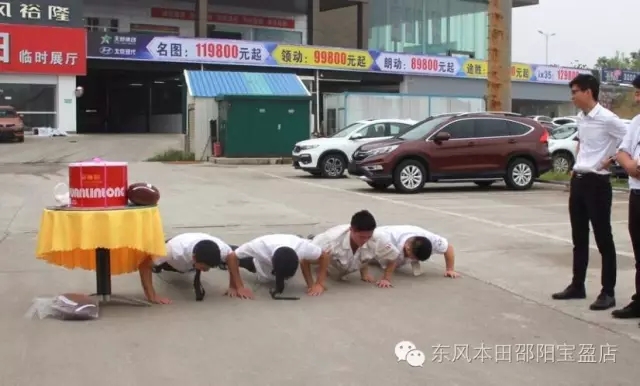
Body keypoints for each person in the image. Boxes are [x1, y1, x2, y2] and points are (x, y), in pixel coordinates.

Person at [552, 74, 627, 311]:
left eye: (575, 91)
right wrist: (576, 171)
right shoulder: (581, 118)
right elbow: (583, 144)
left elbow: (629, 140)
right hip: (580, 180)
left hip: (598, 183)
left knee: (604, 238)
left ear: (588, 92)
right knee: (579, 237)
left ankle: (608, 292)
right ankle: (577, 285)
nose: (572, 96)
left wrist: (613, 159)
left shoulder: (608, 119)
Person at [311, 210, 400, 288]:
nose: (365, 240)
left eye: (368, 236)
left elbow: (393, 256)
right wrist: (318, 283)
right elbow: (304, 260)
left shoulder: (378, 238)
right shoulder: (331, 239)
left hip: (346, 265)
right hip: (319, 247)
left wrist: (386, 279)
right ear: (351, 230)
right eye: (361, 237)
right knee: (314, 258)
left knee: (367, 248)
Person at [224, 234, 330, 300]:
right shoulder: (259, 246)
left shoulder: (302, 248)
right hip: (257, 264)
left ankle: (303, 237)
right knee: (227, 254)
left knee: (311, 248)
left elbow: (324, 256)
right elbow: (232, 257)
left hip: (293, 241)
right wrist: (238, 286)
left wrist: (318, 283)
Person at [613, 74, 640, 323]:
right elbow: (622, 151)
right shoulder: (637, 122)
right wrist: (630, 165)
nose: (636, 97)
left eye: (639, 92)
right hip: (637, 193)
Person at [137, 233, 231, 304]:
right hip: (173, 259)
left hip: (198, 246)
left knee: (238, 256)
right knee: (155, 260)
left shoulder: (222, 250)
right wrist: (151, 295)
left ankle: (214, 264)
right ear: (194, 258)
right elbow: (144, 266)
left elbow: (233, 258)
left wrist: (236, 286)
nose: (206, 271)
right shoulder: (172, 251)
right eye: (204, 268)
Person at [377, 225, 459, 278]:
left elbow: (448, 248)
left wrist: (450, 269)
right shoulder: (387, 239)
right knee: (378, 261)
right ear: (407, 247)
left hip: (407, 232)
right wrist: (386, 278)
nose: (412, 259)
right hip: (381, 237)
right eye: (412, 257)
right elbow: (391, 263)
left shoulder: (432, 240)